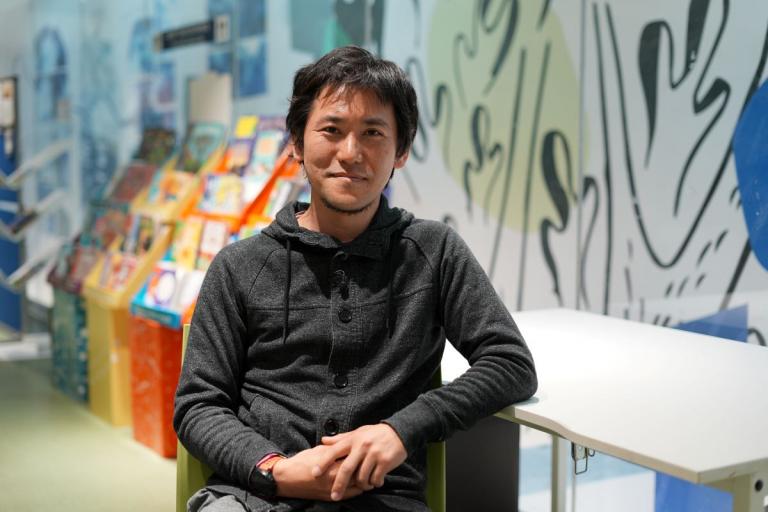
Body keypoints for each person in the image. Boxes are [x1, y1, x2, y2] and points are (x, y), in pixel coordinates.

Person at [174, 45, 538, 512]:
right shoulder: (239, 266)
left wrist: (402, 430)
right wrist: (276, 470)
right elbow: (199, 404)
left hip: (384, 500)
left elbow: (510, 363)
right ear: (297, 144)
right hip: (254, 497)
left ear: (401, 151)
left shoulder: (433, 252)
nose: (351, 153)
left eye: (373, 132)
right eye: (331, 130)